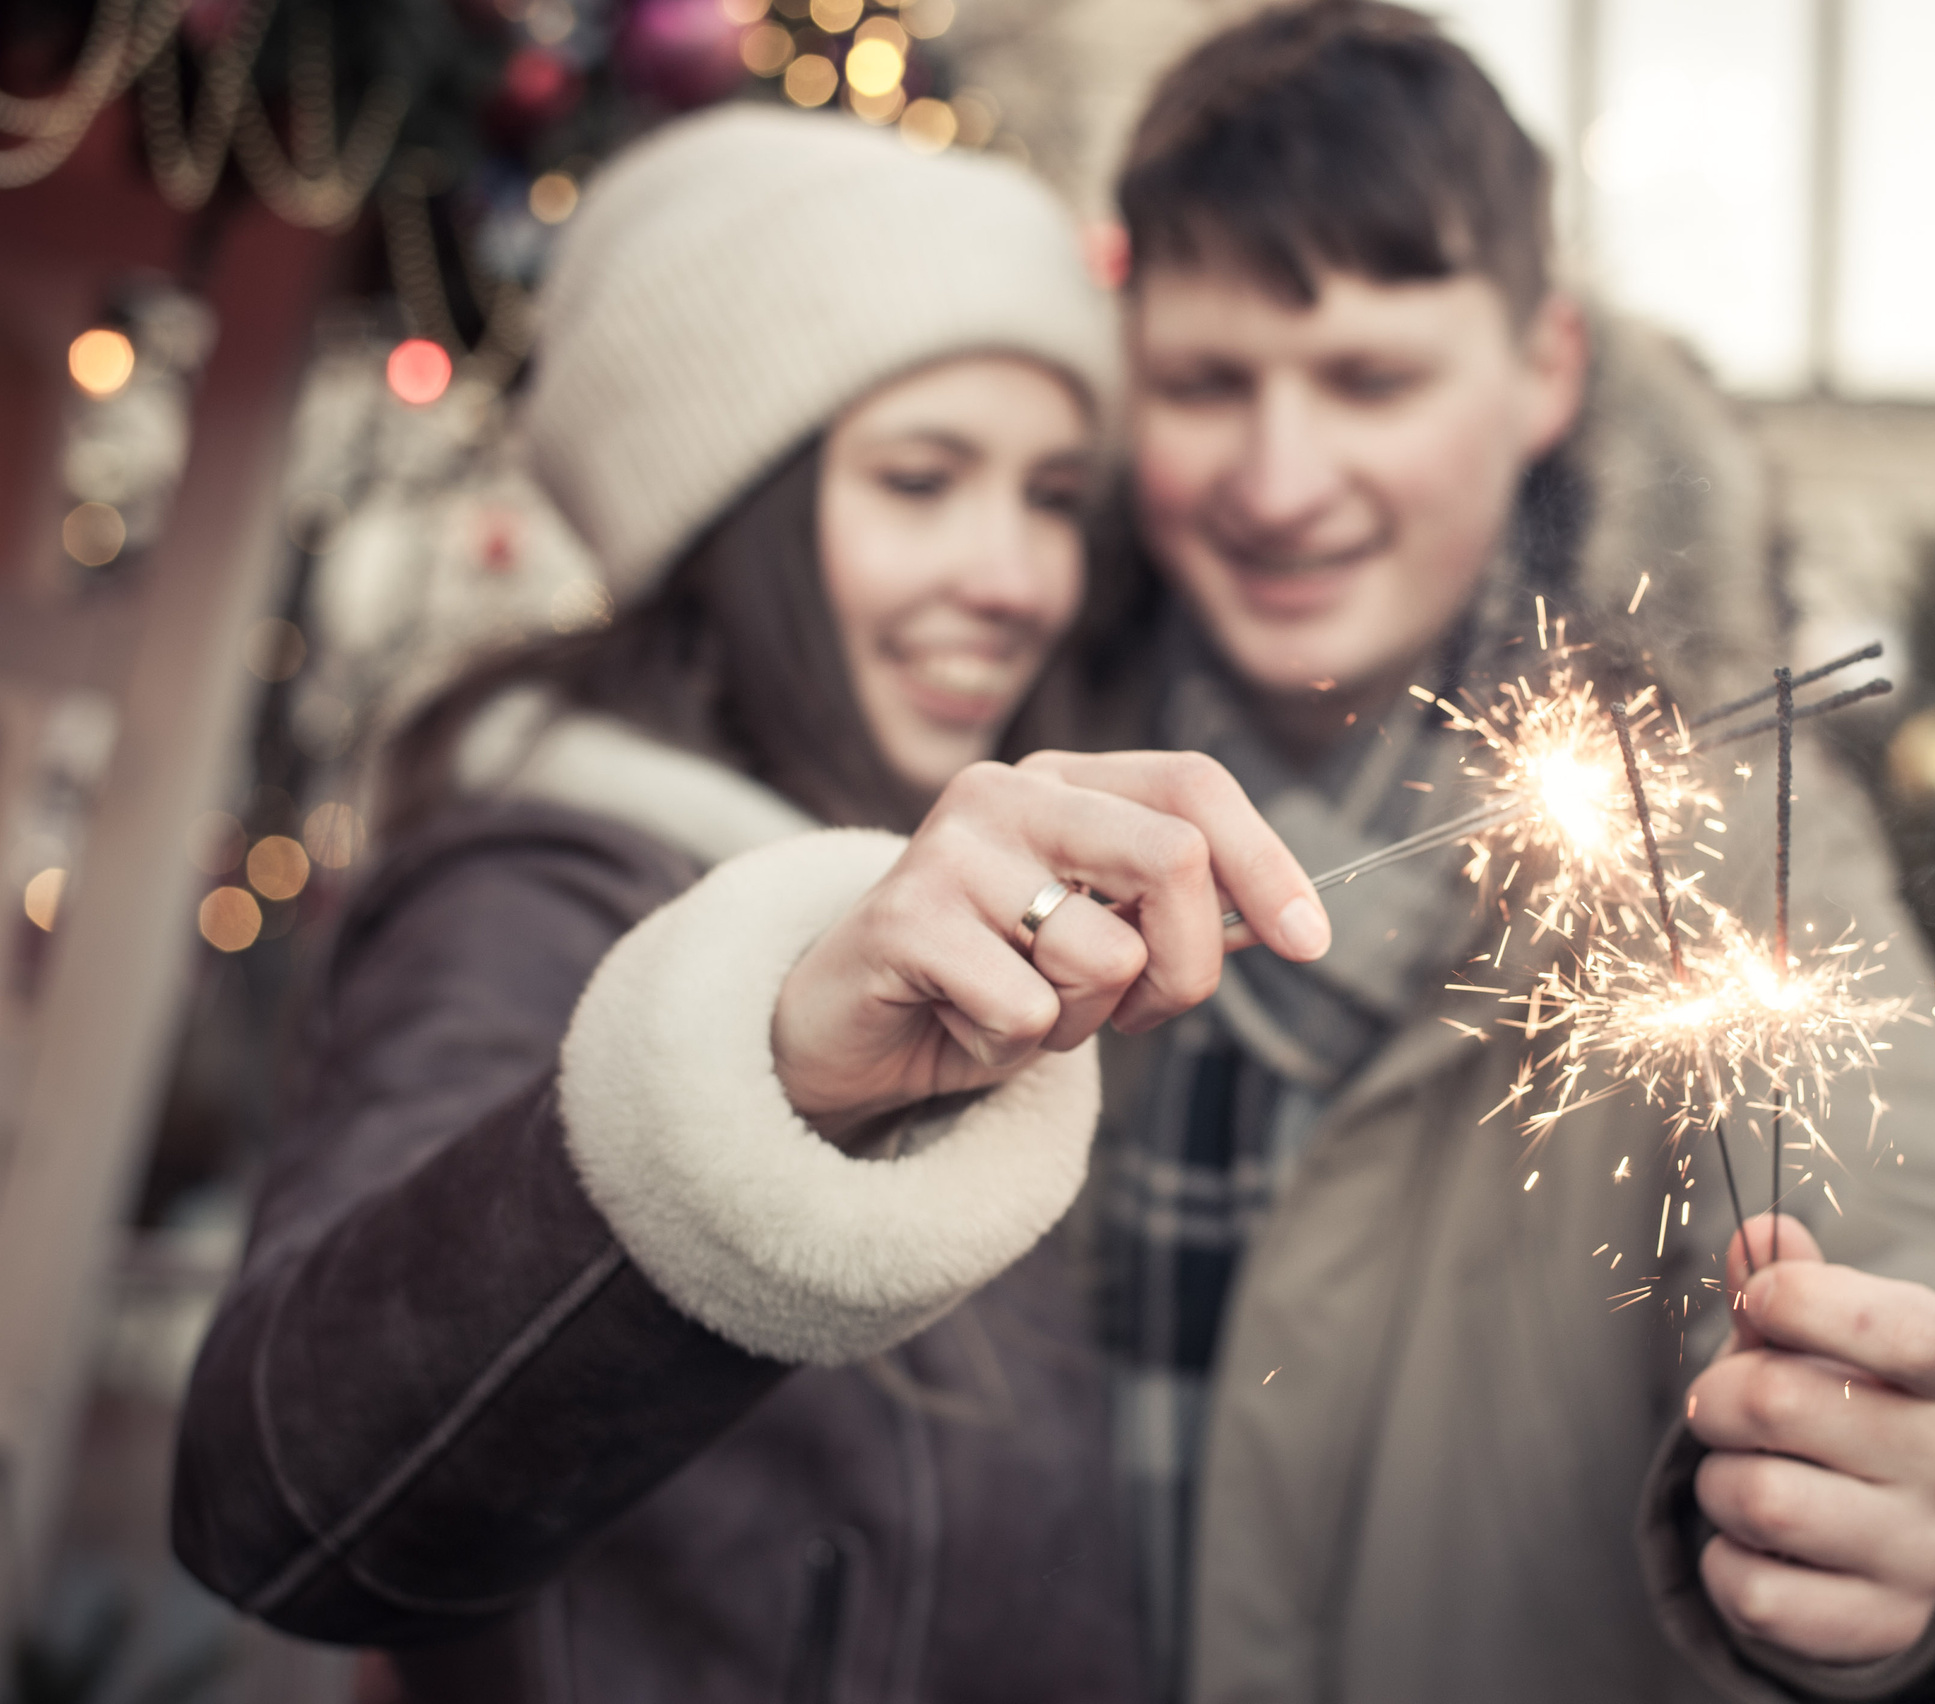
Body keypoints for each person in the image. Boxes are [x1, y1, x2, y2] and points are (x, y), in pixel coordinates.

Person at [1066, 4, 1935, 1699]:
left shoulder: (1703, 827)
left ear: (1543, 371)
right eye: (1211, 384)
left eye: (1371, 378)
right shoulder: (1014, 778)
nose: (1280, 481)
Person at [172, 105, 1332, 1700]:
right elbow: (277, 1504)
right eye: (922, 481)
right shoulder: (543, 893)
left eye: (1054, 494)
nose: (1014, 575)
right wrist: (764, 1077)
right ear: (732, 516)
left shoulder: (994, 880)